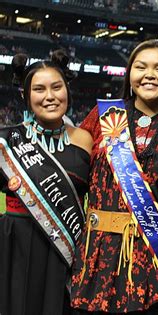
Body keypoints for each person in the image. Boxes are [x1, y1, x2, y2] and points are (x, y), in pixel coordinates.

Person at [70, 39, 158, 314]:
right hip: (100, 255)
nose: (149, 74)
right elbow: (70, 170)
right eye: (141, 67)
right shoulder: (102, 116)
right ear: (129, 74)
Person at [0, 51, 92, 315]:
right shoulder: (7, 140)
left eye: (57, 87)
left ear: (67, 91)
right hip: (15, 244)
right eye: (39, 89)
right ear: (25, 96)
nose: (50, 96)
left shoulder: (85, 139)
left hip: (65, 248)